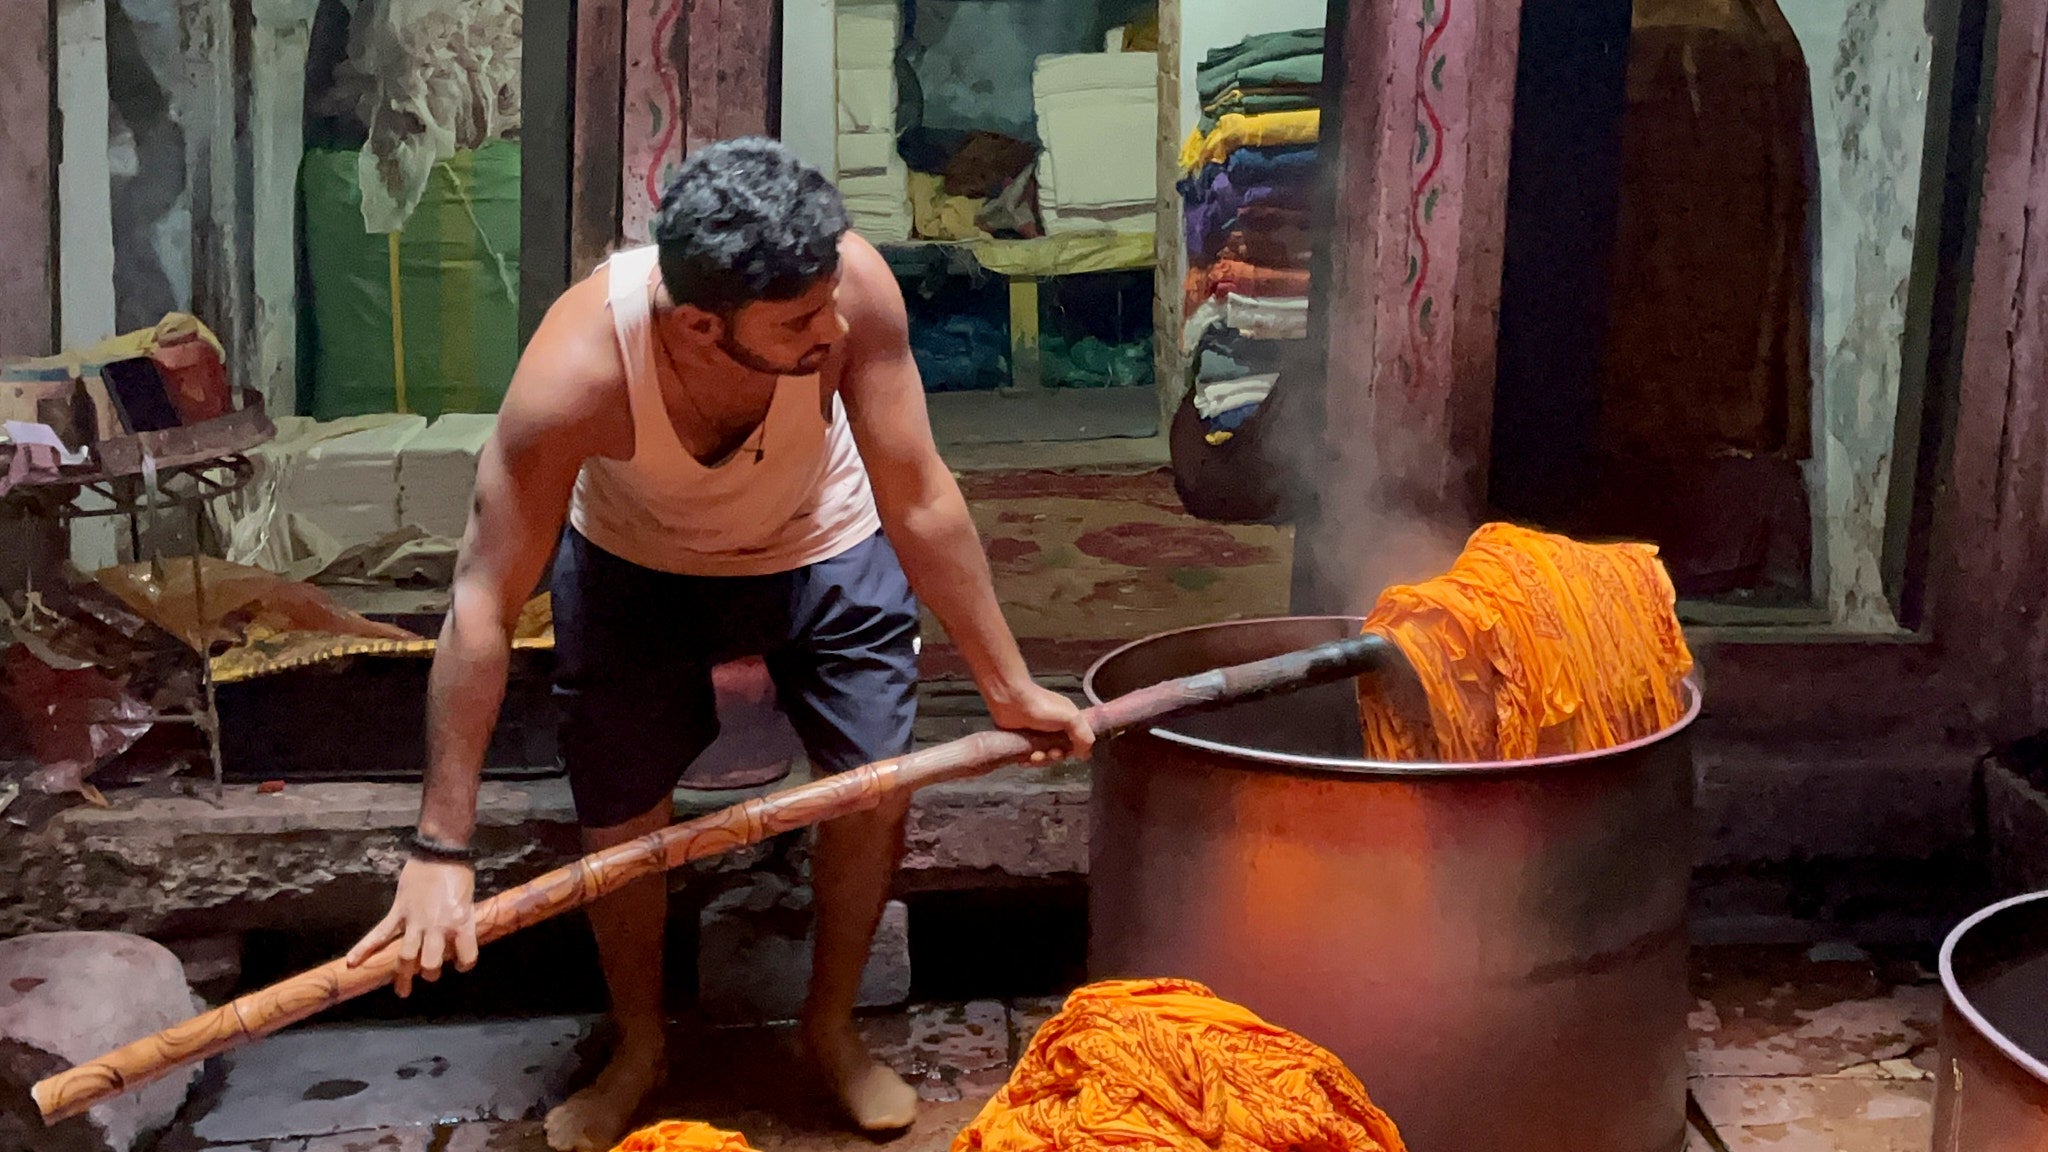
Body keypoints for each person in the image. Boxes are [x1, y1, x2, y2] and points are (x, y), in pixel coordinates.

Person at [345, 137, 1092, 1152]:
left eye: (828, 299)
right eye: (796, 322)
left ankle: (827, 1031)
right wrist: (440, 848)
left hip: (822, 544)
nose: (831, 327)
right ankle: (642, 1045)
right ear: (697, 322)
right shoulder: (575, 374)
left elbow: (918, 497)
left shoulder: (852, 293)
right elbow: (481, 602)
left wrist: (1008, 687)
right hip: (635, 567)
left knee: (874, 785)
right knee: (618, 812)